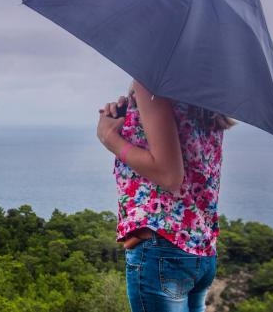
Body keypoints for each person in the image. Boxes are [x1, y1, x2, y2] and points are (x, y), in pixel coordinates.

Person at [97, 79, 234, 312]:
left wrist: (110, 138)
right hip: (200, 250)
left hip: (163, 250)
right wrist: (130, 113)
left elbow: (170, 176)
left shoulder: (152, 85)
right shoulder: (208, 92)